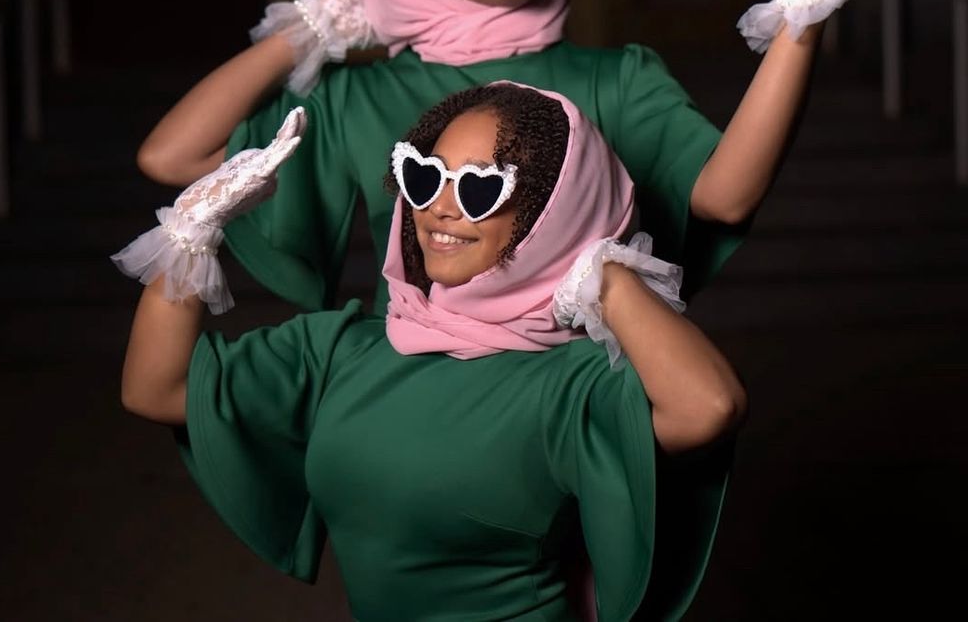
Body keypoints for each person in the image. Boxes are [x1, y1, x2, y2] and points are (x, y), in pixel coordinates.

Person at [135, 0, 860, 316]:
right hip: (407, 385)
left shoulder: (617, 79)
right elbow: (174, 158)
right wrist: (310, 31)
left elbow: (725, 199)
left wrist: (804, 4)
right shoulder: (359, 97)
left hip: (571, 385)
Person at [115, 82, 748, 621]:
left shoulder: (570, 385)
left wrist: (605, 273)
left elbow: (709, 407)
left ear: (550, 215)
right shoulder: (341, 350)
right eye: (424, 178)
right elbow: (155, 389)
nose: (439, 209)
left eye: (479, 189)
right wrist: (193, 228)